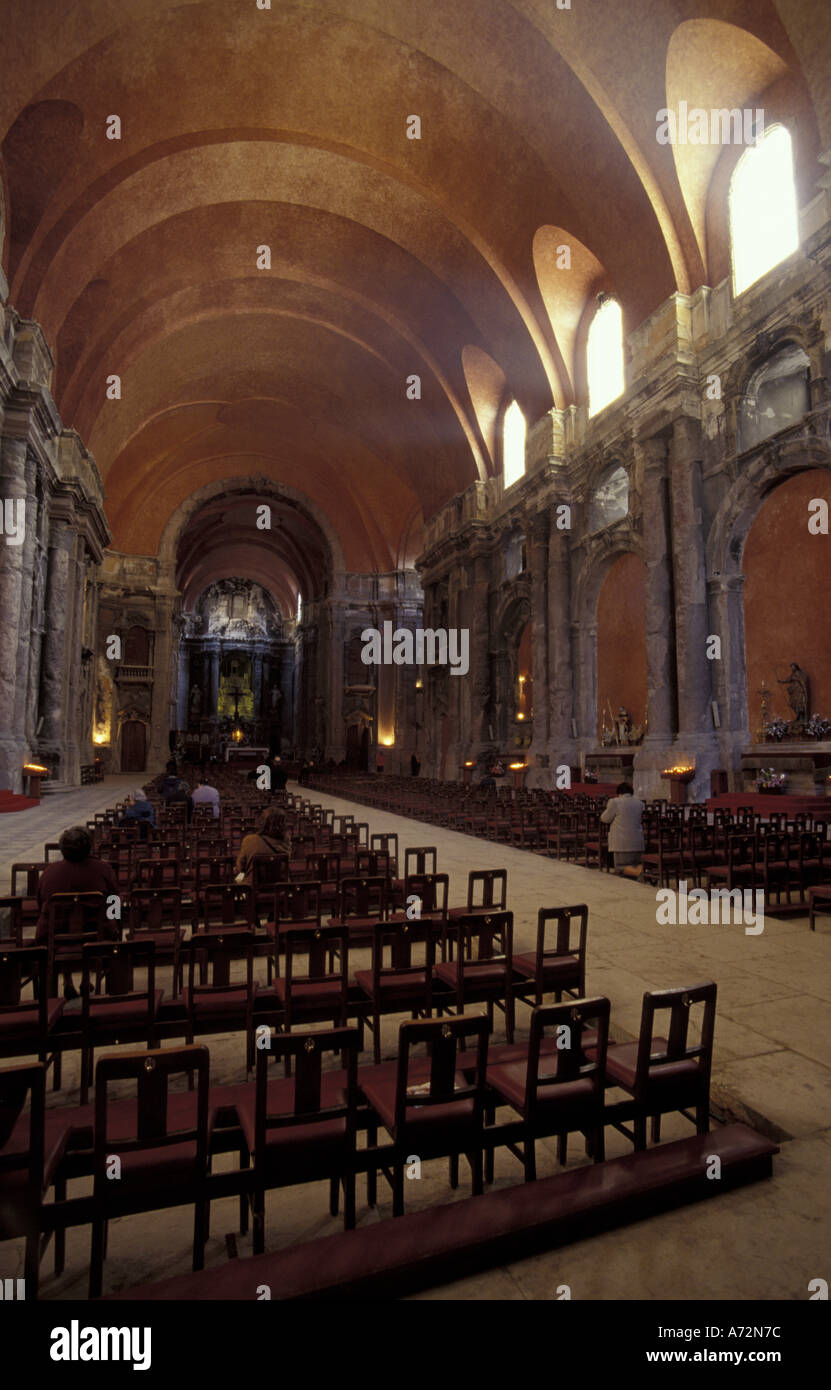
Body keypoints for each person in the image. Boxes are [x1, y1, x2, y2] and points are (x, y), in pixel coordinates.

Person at [36, 826, 120, 997]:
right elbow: (114, 901)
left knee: (62, 924)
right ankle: (86, 978)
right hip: (96, 934)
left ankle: (67, 980)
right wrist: (115, 926)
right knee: (92, 929)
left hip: (56, 936)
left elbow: (41, 903)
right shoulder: (103, 869)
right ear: (89, 847)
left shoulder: (49, 872)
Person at [234, 808, 292, 885]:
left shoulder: (249, 840)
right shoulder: (286, 842)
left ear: (262, 822)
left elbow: (240, 867)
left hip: (253, 886)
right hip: (280, 886)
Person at [600, 781, 644, 876]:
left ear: (619, 793)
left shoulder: (615, 802)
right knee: (636, 864)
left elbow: (605, 818)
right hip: (637, 842)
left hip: (622, 843)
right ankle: (643, 871)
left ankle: (640, 873)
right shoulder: (640, 803)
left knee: (620, 866)